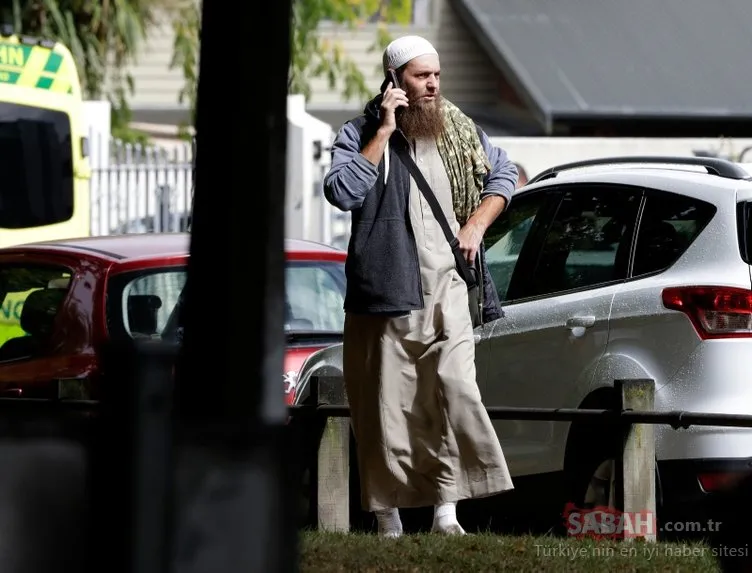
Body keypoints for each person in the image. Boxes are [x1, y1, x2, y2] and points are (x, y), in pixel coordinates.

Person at [323, 35, 517, 537]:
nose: (432, 84)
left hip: (449, 285)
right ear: (395, 81)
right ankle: (389, 517)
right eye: (420, 76)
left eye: (436, 74)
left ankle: (446, 510)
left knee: (454, 389)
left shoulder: (457, 128)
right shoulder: (360, 132)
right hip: (386, 293)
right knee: (387, 407)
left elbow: (505, 174)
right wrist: (384, 131)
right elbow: (342, 191)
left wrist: (476, 223)